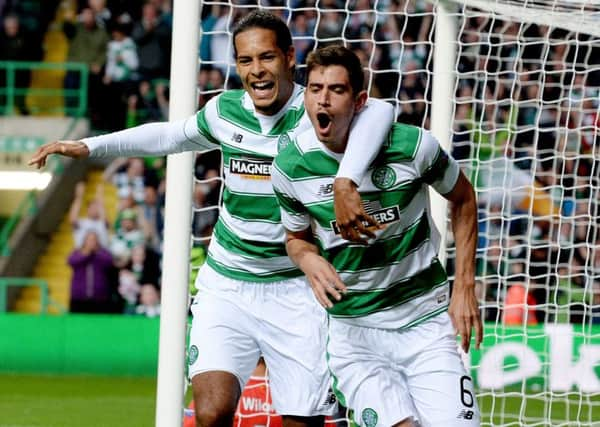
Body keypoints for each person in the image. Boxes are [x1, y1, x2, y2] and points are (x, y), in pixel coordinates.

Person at [28, 10, 395, 427]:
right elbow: (169, 135)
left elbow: (381, 113)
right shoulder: (225, 111)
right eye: (245, 61)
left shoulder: (317, 111)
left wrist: (346, 179)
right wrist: (88, 146)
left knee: (303, 421)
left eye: (267, 58)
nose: (256, 71)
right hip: (229, 285)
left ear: (290, 57)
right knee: (211, 413)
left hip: (296, 290)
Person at [271, 45, 483, 427]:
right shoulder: (290, 166)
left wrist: (465, 284)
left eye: (336, 90)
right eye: (315, 88)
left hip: (425, 323)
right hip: (355, 334)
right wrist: (308, 258)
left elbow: (464, 197)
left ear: (360, 101)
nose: (323, 98)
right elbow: (296, 238)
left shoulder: (412, 147)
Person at [67, 230, 116, 313]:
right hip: (79, 297)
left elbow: (109, 261)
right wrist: (86, 254)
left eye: (94, 240)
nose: (91, 242)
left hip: (100, 298)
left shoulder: (103, 253)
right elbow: (71, 261)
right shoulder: (78, 252)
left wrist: (96, 253)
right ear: (85, 241)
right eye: (89, 240)